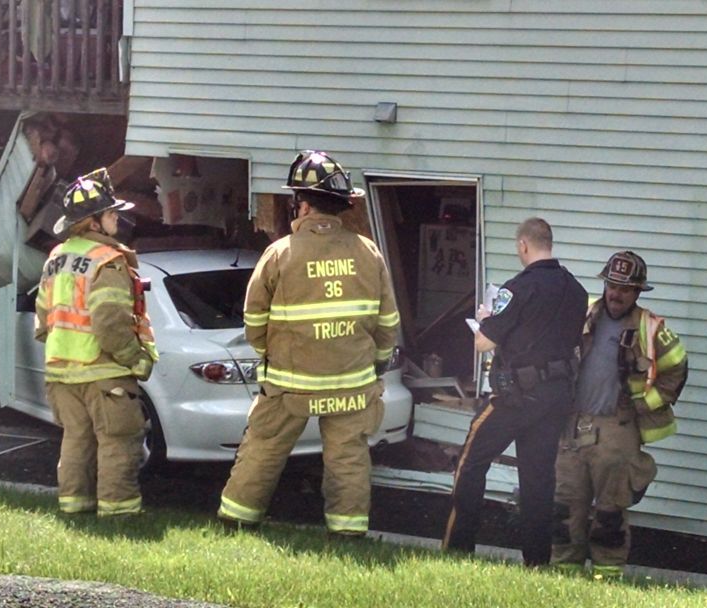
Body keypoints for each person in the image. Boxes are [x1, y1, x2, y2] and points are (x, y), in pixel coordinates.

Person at [218, 150, 400, 536]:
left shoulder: (280, 254)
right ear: (341, 206)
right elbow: (387, 325)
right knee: (348, 456)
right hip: (352, 382)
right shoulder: (369, 253)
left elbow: (254, 322)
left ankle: (237, 521)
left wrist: (271, 354)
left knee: (264, 448)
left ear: (299, 204)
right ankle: (348, 534)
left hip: (289, 382)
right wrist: (378, 364)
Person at [442, 217, 587, 566]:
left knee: (471, 462)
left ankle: (458, 550)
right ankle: (537, 563)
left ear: (524, 245)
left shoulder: (518, 288)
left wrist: (485, 316)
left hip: (515, 396)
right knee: (538, 479)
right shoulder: (577, 291)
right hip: (556, 397)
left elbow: (483, 342)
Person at [551, 251, 688, 578]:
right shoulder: (583, 315)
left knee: (610, 512)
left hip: (617, 429)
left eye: (625, 289)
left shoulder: (650, 328)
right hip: (572, 425)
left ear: (638, 291)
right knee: (564, 508)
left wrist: (643, 404)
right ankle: (562, 577)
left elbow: (676, 371)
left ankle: (606, 581)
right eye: (612, 285)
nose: (616, 293)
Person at [34, 168, 157, 516]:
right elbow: (111, 323)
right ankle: (119, 515)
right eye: (111, 212)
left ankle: (75, 508)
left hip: (61, 374)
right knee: (119, 441)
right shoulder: (107, 261)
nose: (118, 217)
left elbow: (43, 317)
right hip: (104, 372)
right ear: (93, 222)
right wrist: (134, 359)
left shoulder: (56, 258)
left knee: (76, 440)